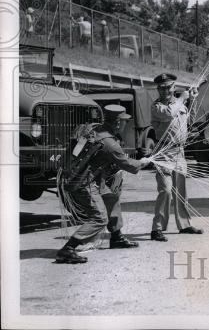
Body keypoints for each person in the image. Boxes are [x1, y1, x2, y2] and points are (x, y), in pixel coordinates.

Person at [56, 105, 152, 264]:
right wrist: (142, 162)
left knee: (111, 198)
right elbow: (128, 164)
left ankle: (116, 237)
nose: (125, 124)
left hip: (85, 177)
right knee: (99, 218)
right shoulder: (109, 143)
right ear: (117, 123)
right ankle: (68, 249)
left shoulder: (93, 131)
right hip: (84, 183)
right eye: (123, 121)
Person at [150, 73, 203, 241]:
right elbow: (169, 114)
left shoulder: (179, 104)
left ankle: (185, 225)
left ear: (174, 87)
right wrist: (183, 98)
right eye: (162, 88)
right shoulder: (157, 106)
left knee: (181, 191)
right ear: (158, 89)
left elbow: (191, 120)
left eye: (169, 87)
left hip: (179, 152)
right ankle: (157, 228)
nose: (165, 90)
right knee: (165, 190)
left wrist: (192, 100)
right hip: (164, 151)